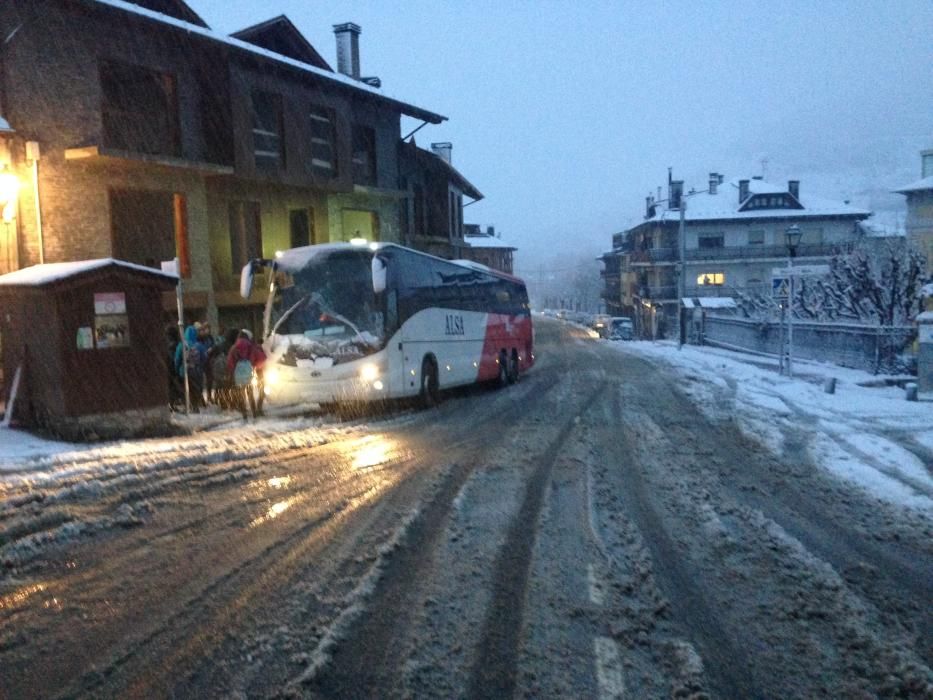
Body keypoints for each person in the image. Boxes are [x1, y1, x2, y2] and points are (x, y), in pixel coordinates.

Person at [227, 329, 266, 419]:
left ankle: (244, 414)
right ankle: (254, 413)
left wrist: (232, 372)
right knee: (250, 393)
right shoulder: (251, 347)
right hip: (248, 375)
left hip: (238, 376)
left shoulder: (234, 348)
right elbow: (262, 358)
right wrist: (255, 366)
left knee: (241, 394)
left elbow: (229, 363)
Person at [175, 324, 207, 412]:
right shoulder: (199, 345)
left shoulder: (181, 345)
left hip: (184, 371)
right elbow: (204, 358)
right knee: (196, 390)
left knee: (185, 390)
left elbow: (177, 359)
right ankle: (195, 406)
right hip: (197, 372)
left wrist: (177, 369)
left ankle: (187, 406)